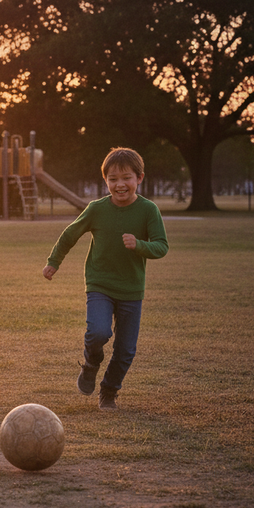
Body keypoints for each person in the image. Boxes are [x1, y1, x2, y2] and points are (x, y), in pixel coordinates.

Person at [42, 147, 168, 412]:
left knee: (125, 351)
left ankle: (109, 391)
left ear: (139, 178)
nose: (119, 184)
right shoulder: (97, 209)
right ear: (105, 181)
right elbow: (70, 234)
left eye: (126, 178)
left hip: (131, 289)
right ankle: (91, 363)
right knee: (98, 331)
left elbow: (161, 246)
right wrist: (54, 262)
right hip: (99, 284)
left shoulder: (148, 210)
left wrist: (140, 245)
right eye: (112, 179)